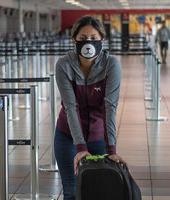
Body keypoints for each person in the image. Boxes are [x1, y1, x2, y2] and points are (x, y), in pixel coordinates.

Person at [54, 16, 128, 200]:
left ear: (102, 40)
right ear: (74, 40)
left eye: (94, 38)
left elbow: (110, 107)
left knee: (98, 192)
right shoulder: (64, 65)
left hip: (99, 137)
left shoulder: (111, 65)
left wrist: (111, 150)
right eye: (83, 38)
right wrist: (79, 147)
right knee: (71, 191)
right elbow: (71, 107)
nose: (88, 42)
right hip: (67, 137)